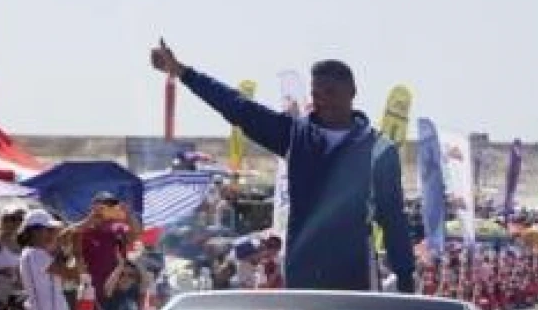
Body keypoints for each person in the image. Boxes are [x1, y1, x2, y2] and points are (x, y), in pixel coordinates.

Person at [150, 41, 416, 292]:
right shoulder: (294, 135)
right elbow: (237, 106)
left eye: (331, 92)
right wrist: (183, 72)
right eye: (317, 93)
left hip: (355, 275)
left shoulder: (379, 150)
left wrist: (405, 281)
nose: (323, 100)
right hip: (303, 273)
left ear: (352, 92)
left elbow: (393, 220)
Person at [77, 192, 143, 310]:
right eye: (104, 205)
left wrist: (128, 213)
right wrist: (91, 218)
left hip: (116, 294)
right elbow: (69, 236)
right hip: (92, 295)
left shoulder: (116, 229)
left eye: (111, 205)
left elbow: (135, 234)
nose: (107, 209)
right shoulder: (85, 230)